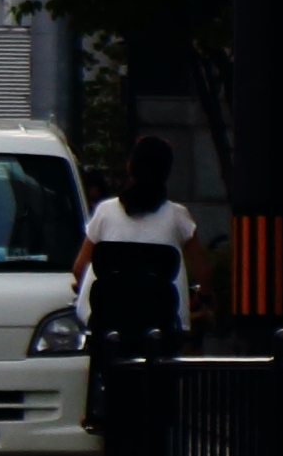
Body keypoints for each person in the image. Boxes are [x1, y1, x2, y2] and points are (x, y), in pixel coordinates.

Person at [74, 134, 197, 336]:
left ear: (130, 166)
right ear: (167, 173)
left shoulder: (105, 211)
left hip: (107, 325)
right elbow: (205, 274)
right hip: (162, 326)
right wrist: (206, 295)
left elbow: (80, 268)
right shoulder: (178, 216)